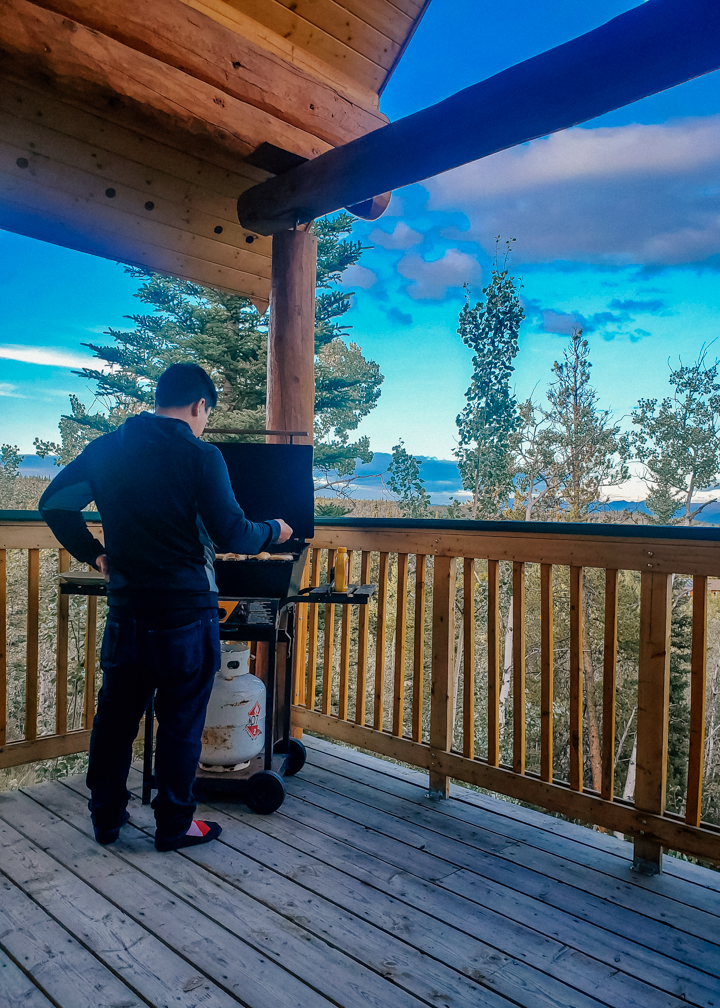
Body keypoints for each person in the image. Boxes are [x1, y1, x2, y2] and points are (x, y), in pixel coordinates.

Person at [39, 363, 292, 851]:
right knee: (181, 723)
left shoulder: (108, 449)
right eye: (205, 414)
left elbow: (54, 503)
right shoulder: (200, 455)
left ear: (159, 397)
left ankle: (106, 820)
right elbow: (232, 533)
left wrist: (95, 554)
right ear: (200, 406)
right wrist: (274, 530)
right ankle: (174, 826)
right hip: (186, 613)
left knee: (115, 719)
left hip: (129, 610)